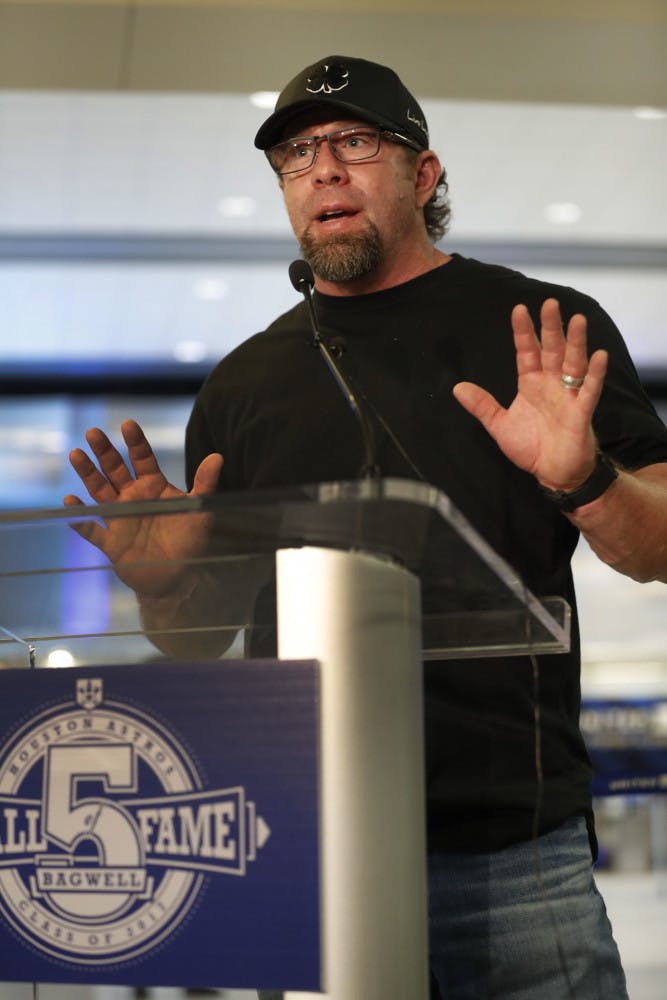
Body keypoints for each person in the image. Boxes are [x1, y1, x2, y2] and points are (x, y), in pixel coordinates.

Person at [66, 56, 667, 999]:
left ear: (423, 176)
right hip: (305, 844)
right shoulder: (241, 385)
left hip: (508, 854)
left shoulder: (543, 329)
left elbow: (655, 546)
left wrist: (583, 477)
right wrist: (164, 590)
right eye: (297, 154)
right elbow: (198, 632)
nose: (322, 171)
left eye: (354, 142)